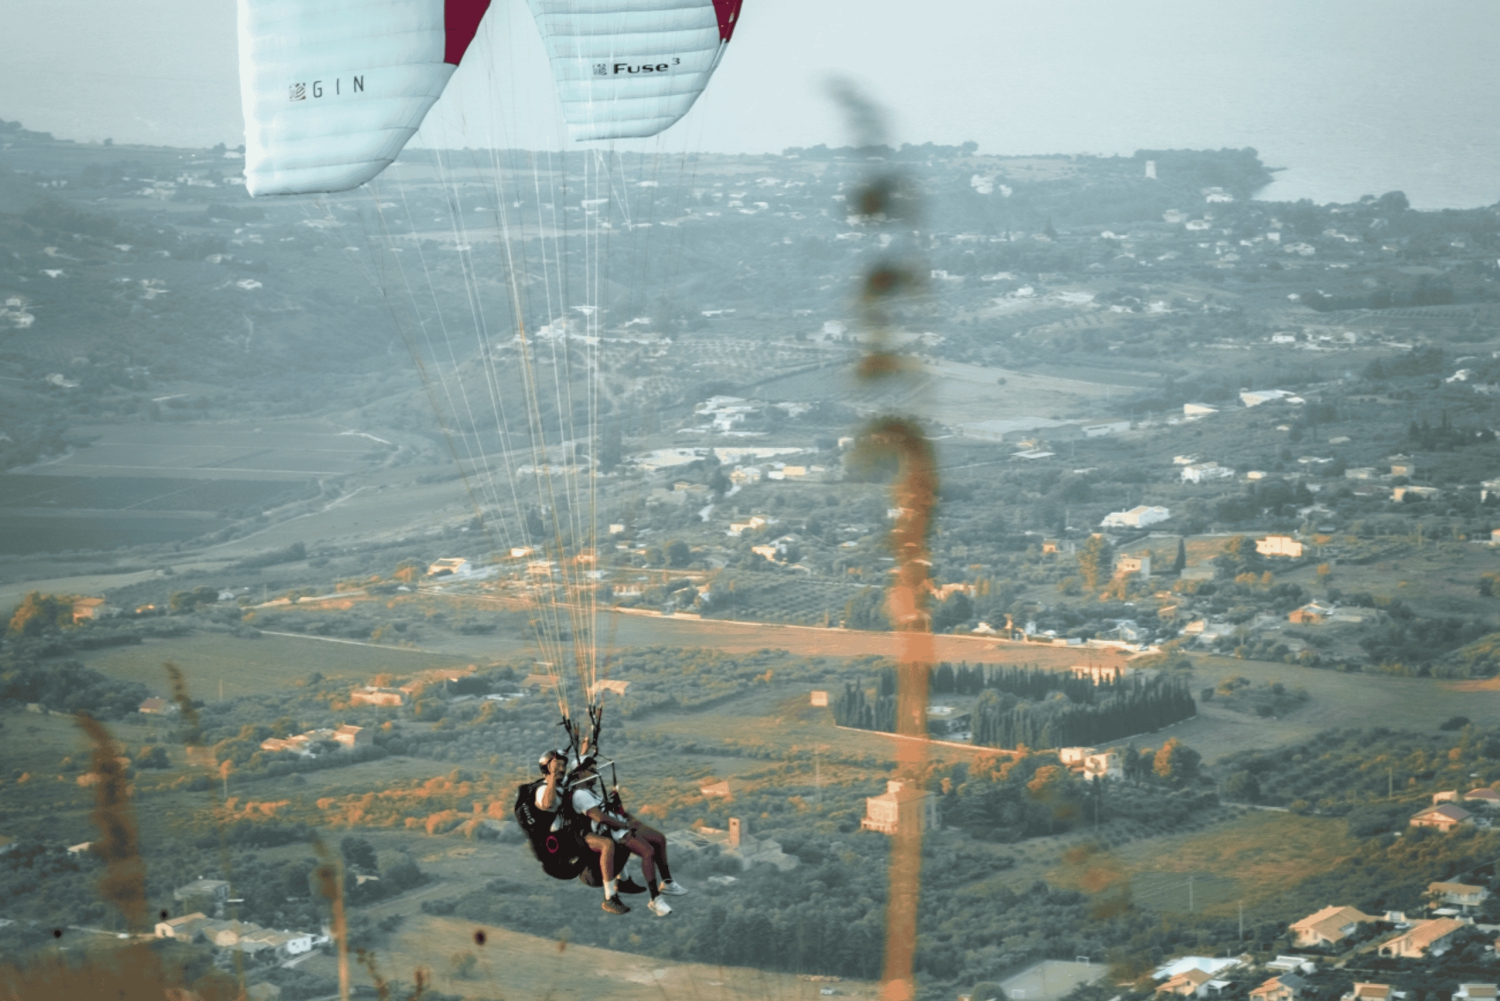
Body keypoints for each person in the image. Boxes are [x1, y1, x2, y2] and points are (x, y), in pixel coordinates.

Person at [568, 761, 686, 917]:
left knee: (658, 839)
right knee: (647, 852)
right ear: (580, 773)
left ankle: (667, 882)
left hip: (618, 826)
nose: (595, 773)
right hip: (614, 831)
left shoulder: (589, 792)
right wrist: (624, 825)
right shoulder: (580, 794)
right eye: (591, 770)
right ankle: (655, 899)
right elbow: (600, 817)